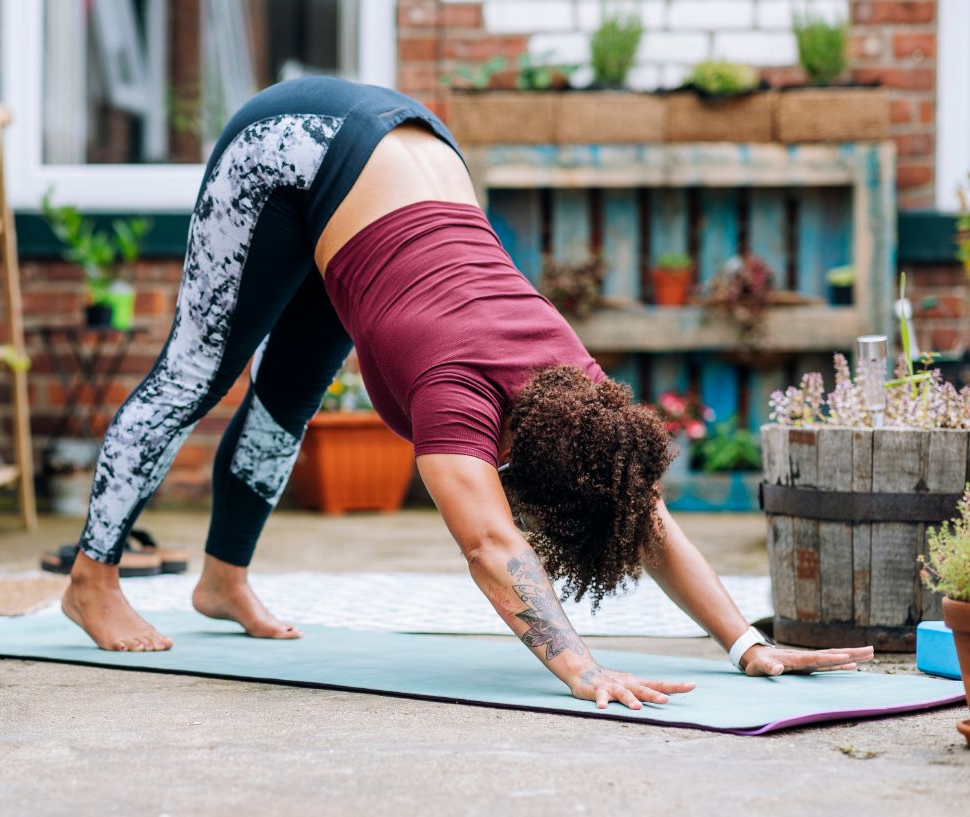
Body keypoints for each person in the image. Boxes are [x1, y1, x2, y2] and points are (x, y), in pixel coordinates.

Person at [61, 77, 872, 710]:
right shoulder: (458, 400)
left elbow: (645, 514)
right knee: (197, 370)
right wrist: (581, 669)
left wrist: (745, 642)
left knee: (291, 393)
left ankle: (222, 581)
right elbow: (492, 549)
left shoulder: (578, 384)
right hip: (290, 147)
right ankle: (91, 579)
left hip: (397, 166)